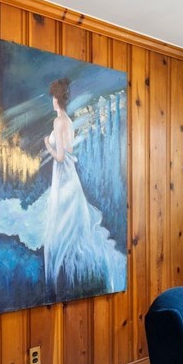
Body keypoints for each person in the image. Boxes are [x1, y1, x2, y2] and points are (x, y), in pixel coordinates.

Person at [42, 78, 124, 298]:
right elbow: (69, 151)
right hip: (70, 174)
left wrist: (47, 146)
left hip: (63, 173)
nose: (52, 101)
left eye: (52, 97)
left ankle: (63, 269)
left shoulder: (58, 122)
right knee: (72, 216)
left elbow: (60, 156)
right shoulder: (68, 121)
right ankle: (72, 268)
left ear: (56, 99)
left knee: (62, 217)